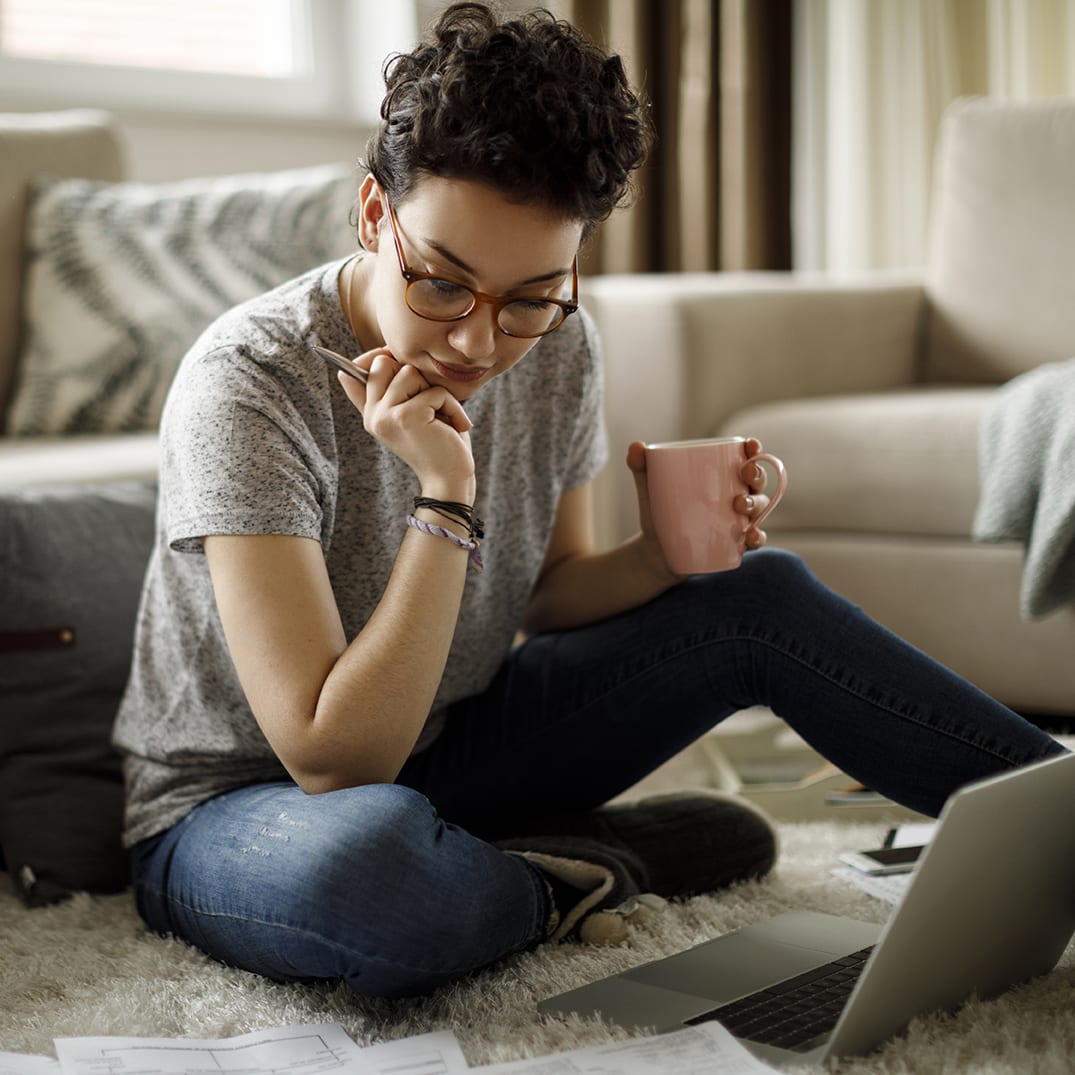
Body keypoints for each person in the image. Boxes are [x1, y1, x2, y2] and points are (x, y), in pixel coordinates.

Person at [113, 2, 1065, 999]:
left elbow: (552, 591)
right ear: (372, 216)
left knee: (760, 596)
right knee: (375, 875)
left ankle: (1063, 827)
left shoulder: (561, 341)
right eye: (442, 283)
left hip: (452, 746)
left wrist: (661, 556)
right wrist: (446, 497)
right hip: (239, 806)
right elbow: (331, 756)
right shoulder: (251, 380)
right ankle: (586, 869)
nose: (480, 343)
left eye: (530, 295)